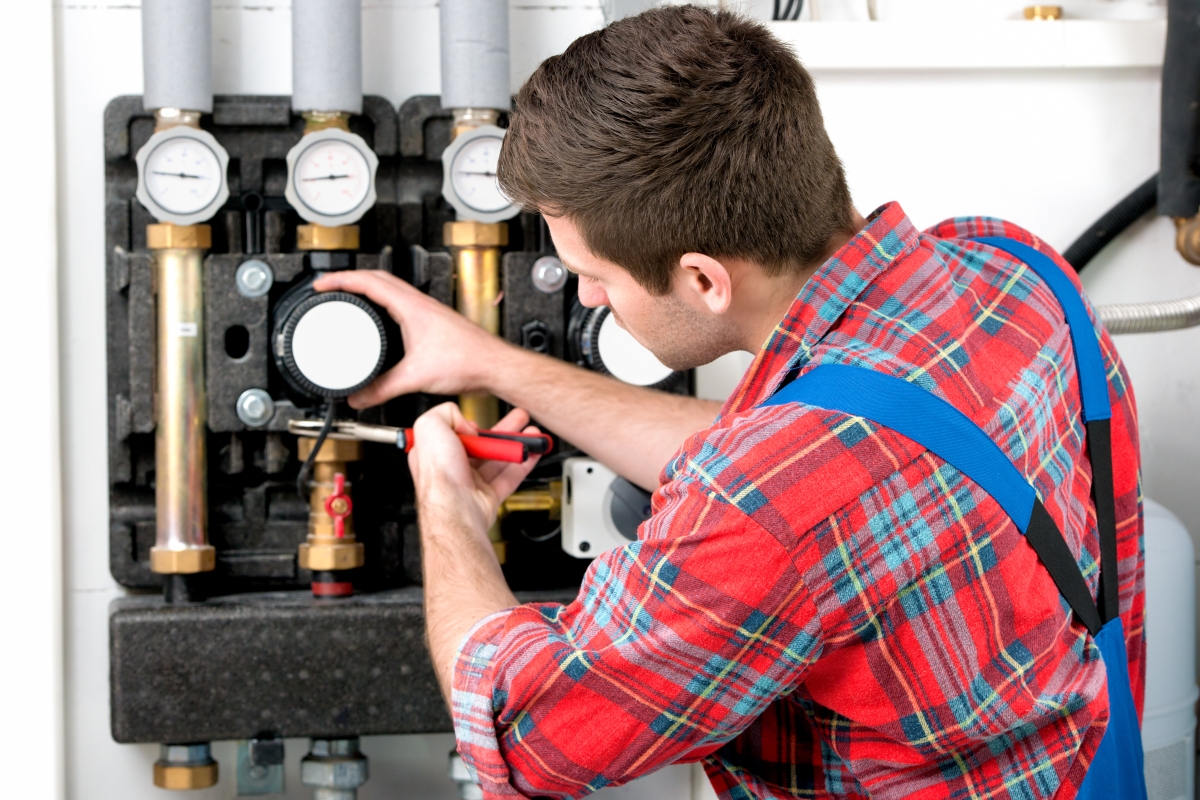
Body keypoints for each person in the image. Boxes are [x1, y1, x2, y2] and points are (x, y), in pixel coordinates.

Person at [315, 6, 1145, 798]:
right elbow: (813, 463)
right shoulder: (1012, 270)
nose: (591, 299)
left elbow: (524, 730)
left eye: (594, 277)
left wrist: (448, 511)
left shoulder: (774, 499)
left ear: (705, 280)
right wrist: (490, 362)